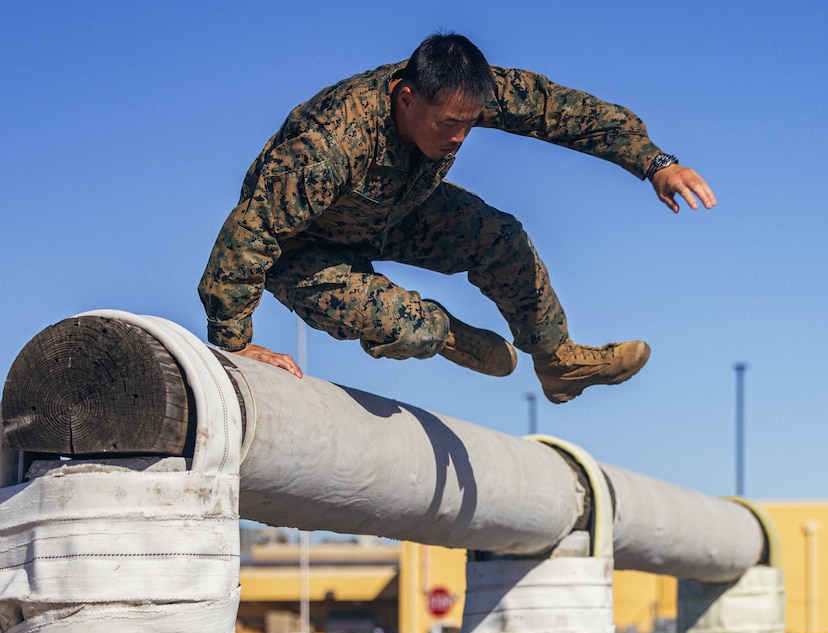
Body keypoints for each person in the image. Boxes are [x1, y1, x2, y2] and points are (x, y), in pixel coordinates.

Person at [198, 32, 715, 404]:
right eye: (449, 124)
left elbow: (558, 110)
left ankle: (557, 363)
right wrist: (234, 344)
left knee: (501, 237)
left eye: (469, 124)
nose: (459, 138)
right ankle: (443, 332)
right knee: (410, 328)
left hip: (393, 210)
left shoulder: (459, 90)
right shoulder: (330, 147)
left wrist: (654, 162)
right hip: (305, 251)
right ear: (406, 98)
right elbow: (247, 236)